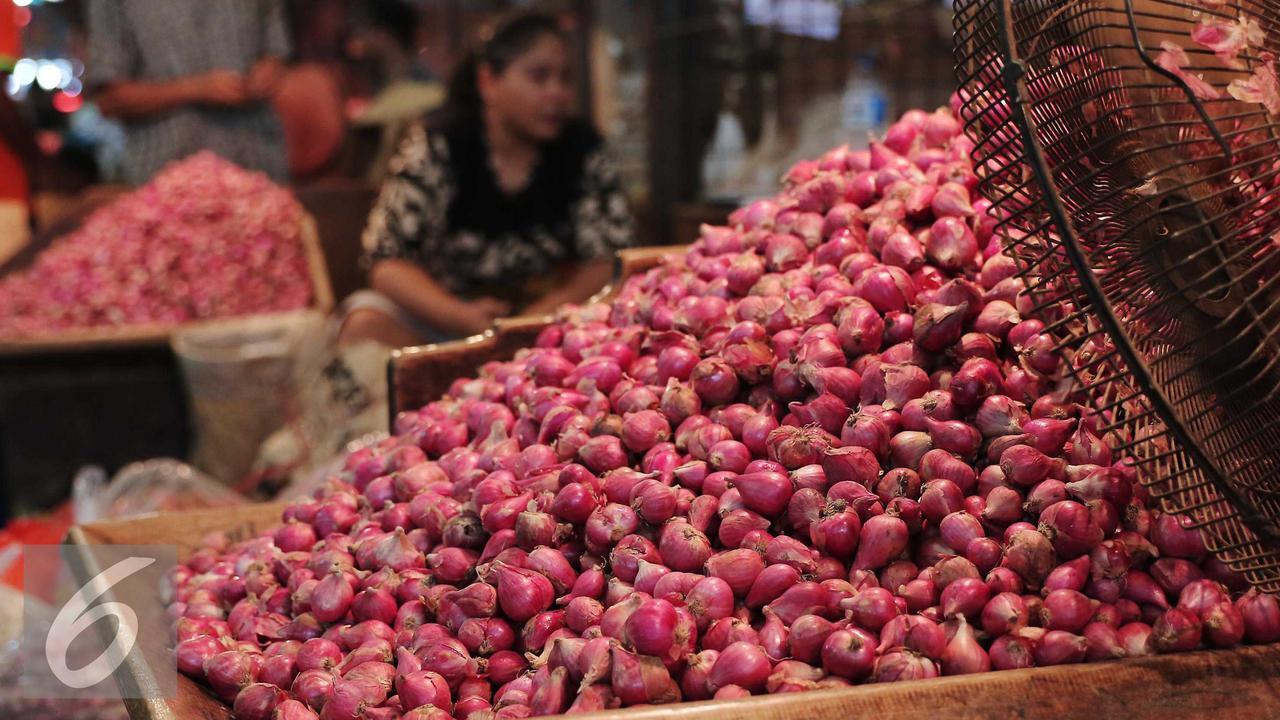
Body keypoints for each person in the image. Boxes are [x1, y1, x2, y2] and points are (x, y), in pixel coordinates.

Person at [341, 11, 634, 347]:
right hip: (447, 323)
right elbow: (388, 264)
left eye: (565, 78)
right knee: (364, 322)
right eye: (540, 77)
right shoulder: (440, 143)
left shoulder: (582, 149)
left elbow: (607, 263)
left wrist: (531, 320)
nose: (557, 92)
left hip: (551, 325)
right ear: (488, 82)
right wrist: (462, 316)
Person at [85, 0, 290, 185]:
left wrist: (267, 72)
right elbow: (109, 100)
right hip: (171, 183)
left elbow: (276, 52)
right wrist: (196, 89)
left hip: (258, 167)